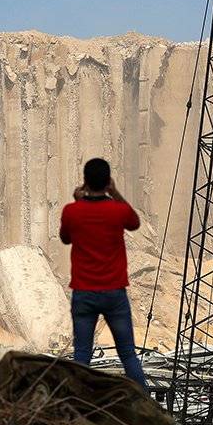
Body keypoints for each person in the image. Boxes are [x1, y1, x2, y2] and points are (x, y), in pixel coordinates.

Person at [59, 158, 147, 389]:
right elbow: (134, 223)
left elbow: (65, 238)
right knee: (128, 354)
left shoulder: (72, 211)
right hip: (114, 293)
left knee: (82, 355)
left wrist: (78, 202)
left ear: (85, 181)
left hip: (84, 293)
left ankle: (76, 403)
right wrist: (115, 193)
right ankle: (147, 402)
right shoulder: (118, 211)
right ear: (108, 182)